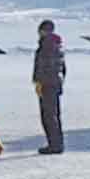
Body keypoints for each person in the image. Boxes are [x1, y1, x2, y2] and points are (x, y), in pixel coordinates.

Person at [31, 18, 69, 156]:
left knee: (48, 116)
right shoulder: (57, 46)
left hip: (48, 85)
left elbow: (43, 66)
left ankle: (54, 145)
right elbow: (63, 68)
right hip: (54, 84)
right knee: (53, 115)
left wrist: (39, 81)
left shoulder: (47, 46)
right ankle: (56, 144)